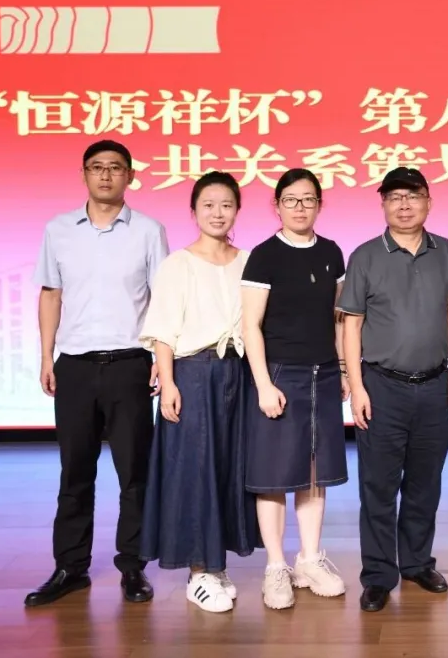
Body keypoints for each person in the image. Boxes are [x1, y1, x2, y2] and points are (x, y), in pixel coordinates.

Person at [25, 139, 169, 607]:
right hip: (75, 366)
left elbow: (162, 299)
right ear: (84, 174)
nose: (106, 175)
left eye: (115, 168)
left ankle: (133, 566)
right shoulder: (58, 230)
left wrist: (160, 359)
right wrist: (46, 357)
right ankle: (70, 567)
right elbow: (51, 294)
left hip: (130, 365)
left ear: (131, 176)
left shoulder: (149, 231)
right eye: (96, 167)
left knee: (134, 473)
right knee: (75, 472)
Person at [137, 171, 260, 613]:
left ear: (237, 210)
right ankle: (197, 572)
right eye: (208, 205)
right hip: (192, 373)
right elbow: (163, 330)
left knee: (230, 466)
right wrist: (169, 382)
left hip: (238, 373)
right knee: (194, 468)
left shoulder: (250, 261)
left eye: (226, 205)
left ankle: (215, 561)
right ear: (193, 212)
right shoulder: (179, 264)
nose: (217, 213)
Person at [337, 167, 448, 612]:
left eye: (413, 196)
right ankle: (378, 575)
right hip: (381, 387)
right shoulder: (366, 256)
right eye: (395, 197)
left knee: (425, 483)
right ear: (383, 204)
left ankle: (417, 563)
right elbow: (351, 326)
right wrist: (356, 385)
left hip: (434, 384)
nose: (404, 205)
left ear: (429, 201)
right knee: (379, 486)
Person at [240, 168, 350, 610]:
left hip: (324, 372)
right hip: (280, 374)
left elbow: (337, 318)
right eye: (291, 199)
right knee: (273, 474)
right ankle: (275, 566)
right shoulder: (264, 255)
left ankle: (309, 559)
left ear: (319, 204)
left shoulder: (331, 252)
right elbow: (251, 325)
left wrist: (344, 369)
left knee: (314, 472)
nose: (300, 207)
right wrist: (264, 384)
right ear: (277, 205)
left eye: (308, 199)